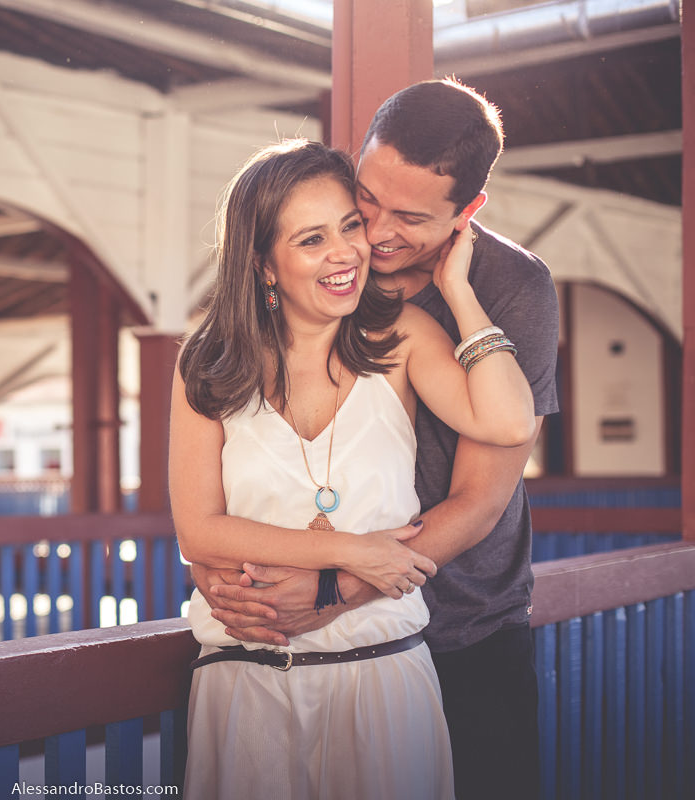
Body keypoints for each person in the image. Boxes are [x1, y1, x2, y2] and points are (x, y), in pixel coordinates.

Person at [191, 79, 560, 800]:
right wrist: (234, 579)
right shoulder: (328, 272)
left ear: (467, 212)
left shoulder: (513, 287)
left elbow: (482, 499)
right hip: (300, 643)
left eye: (412, 217)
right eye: (368, 198)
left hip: (462, 625)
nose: (378, 230)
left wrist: (332, 590)